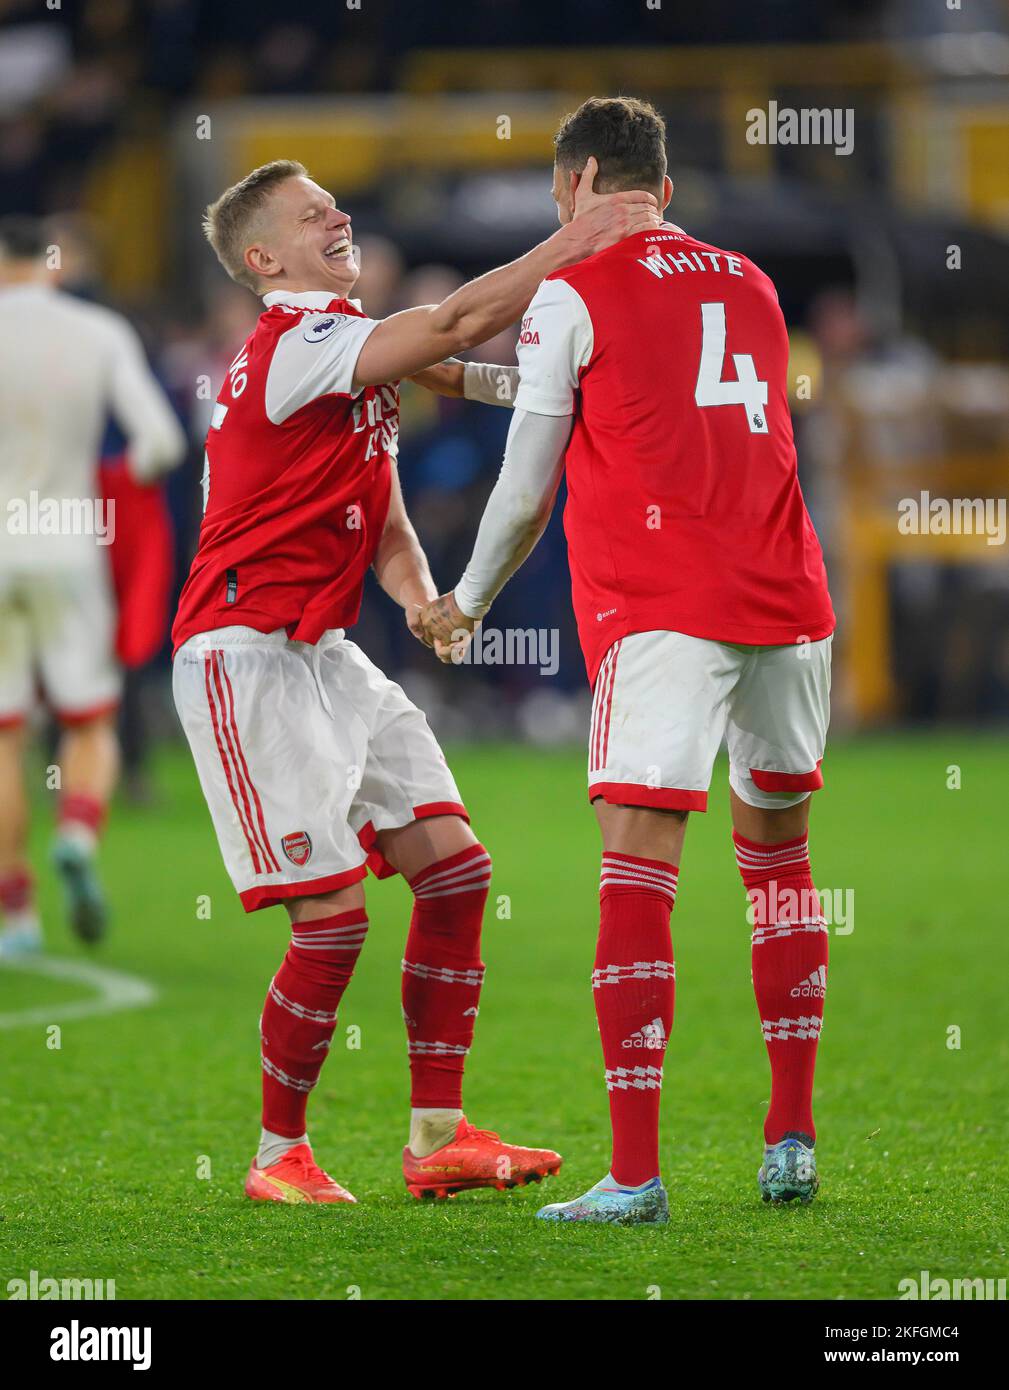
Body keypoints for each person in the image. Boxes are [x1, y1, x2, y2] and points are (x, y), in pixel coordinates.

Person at [171, 158, 659, 1204]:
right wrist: (576, 242)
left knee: (455, 869)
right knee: (335, 918)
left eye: (334, 206)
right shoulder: (297, 343)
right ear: (265, 260)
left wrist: (426, 597)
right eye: (312, 216)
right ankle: (275, 1156)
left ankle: (437, 1132)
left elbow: (385, 522)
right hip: (241, 654)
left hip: (323, 652)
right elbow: (452, 326)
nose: (337, 217)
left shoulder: (344, 357)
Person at [419, 97, 836, 1225]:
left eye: (560, 195)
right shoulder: (748, 279)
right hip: (790, 599)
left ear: (582, 179)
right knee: (780, 866)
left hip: (665, 611)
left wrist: (463, 600)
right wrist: (499, 384)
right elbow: (660, 397)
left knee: (637, 863)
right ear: (667, 189)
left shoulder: (573, 287)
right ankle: (788, 1138)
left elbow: (527, 480)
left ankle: (637, 1173)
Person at [0, 216, 185, 956]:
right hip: (70, 539)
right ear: (52, 263)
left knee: (6, 737)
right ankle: (76, 827)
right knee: (89, 719)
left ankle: (16, 914)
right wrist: (121, 486)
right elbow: (162, 443)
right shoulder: (99, 330)